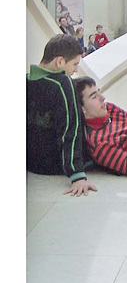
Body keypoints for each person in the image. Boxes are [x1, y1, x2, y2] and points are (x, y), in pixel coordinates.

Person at [27, 34, 97, 196]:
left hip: (32, 164)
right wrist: (77, 175)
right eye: (74, 64)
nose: (75, 70)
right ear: (59, 62)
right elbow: (70, 128)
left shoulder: (27, 81)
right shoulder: (62, 84)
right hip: (55, 165)